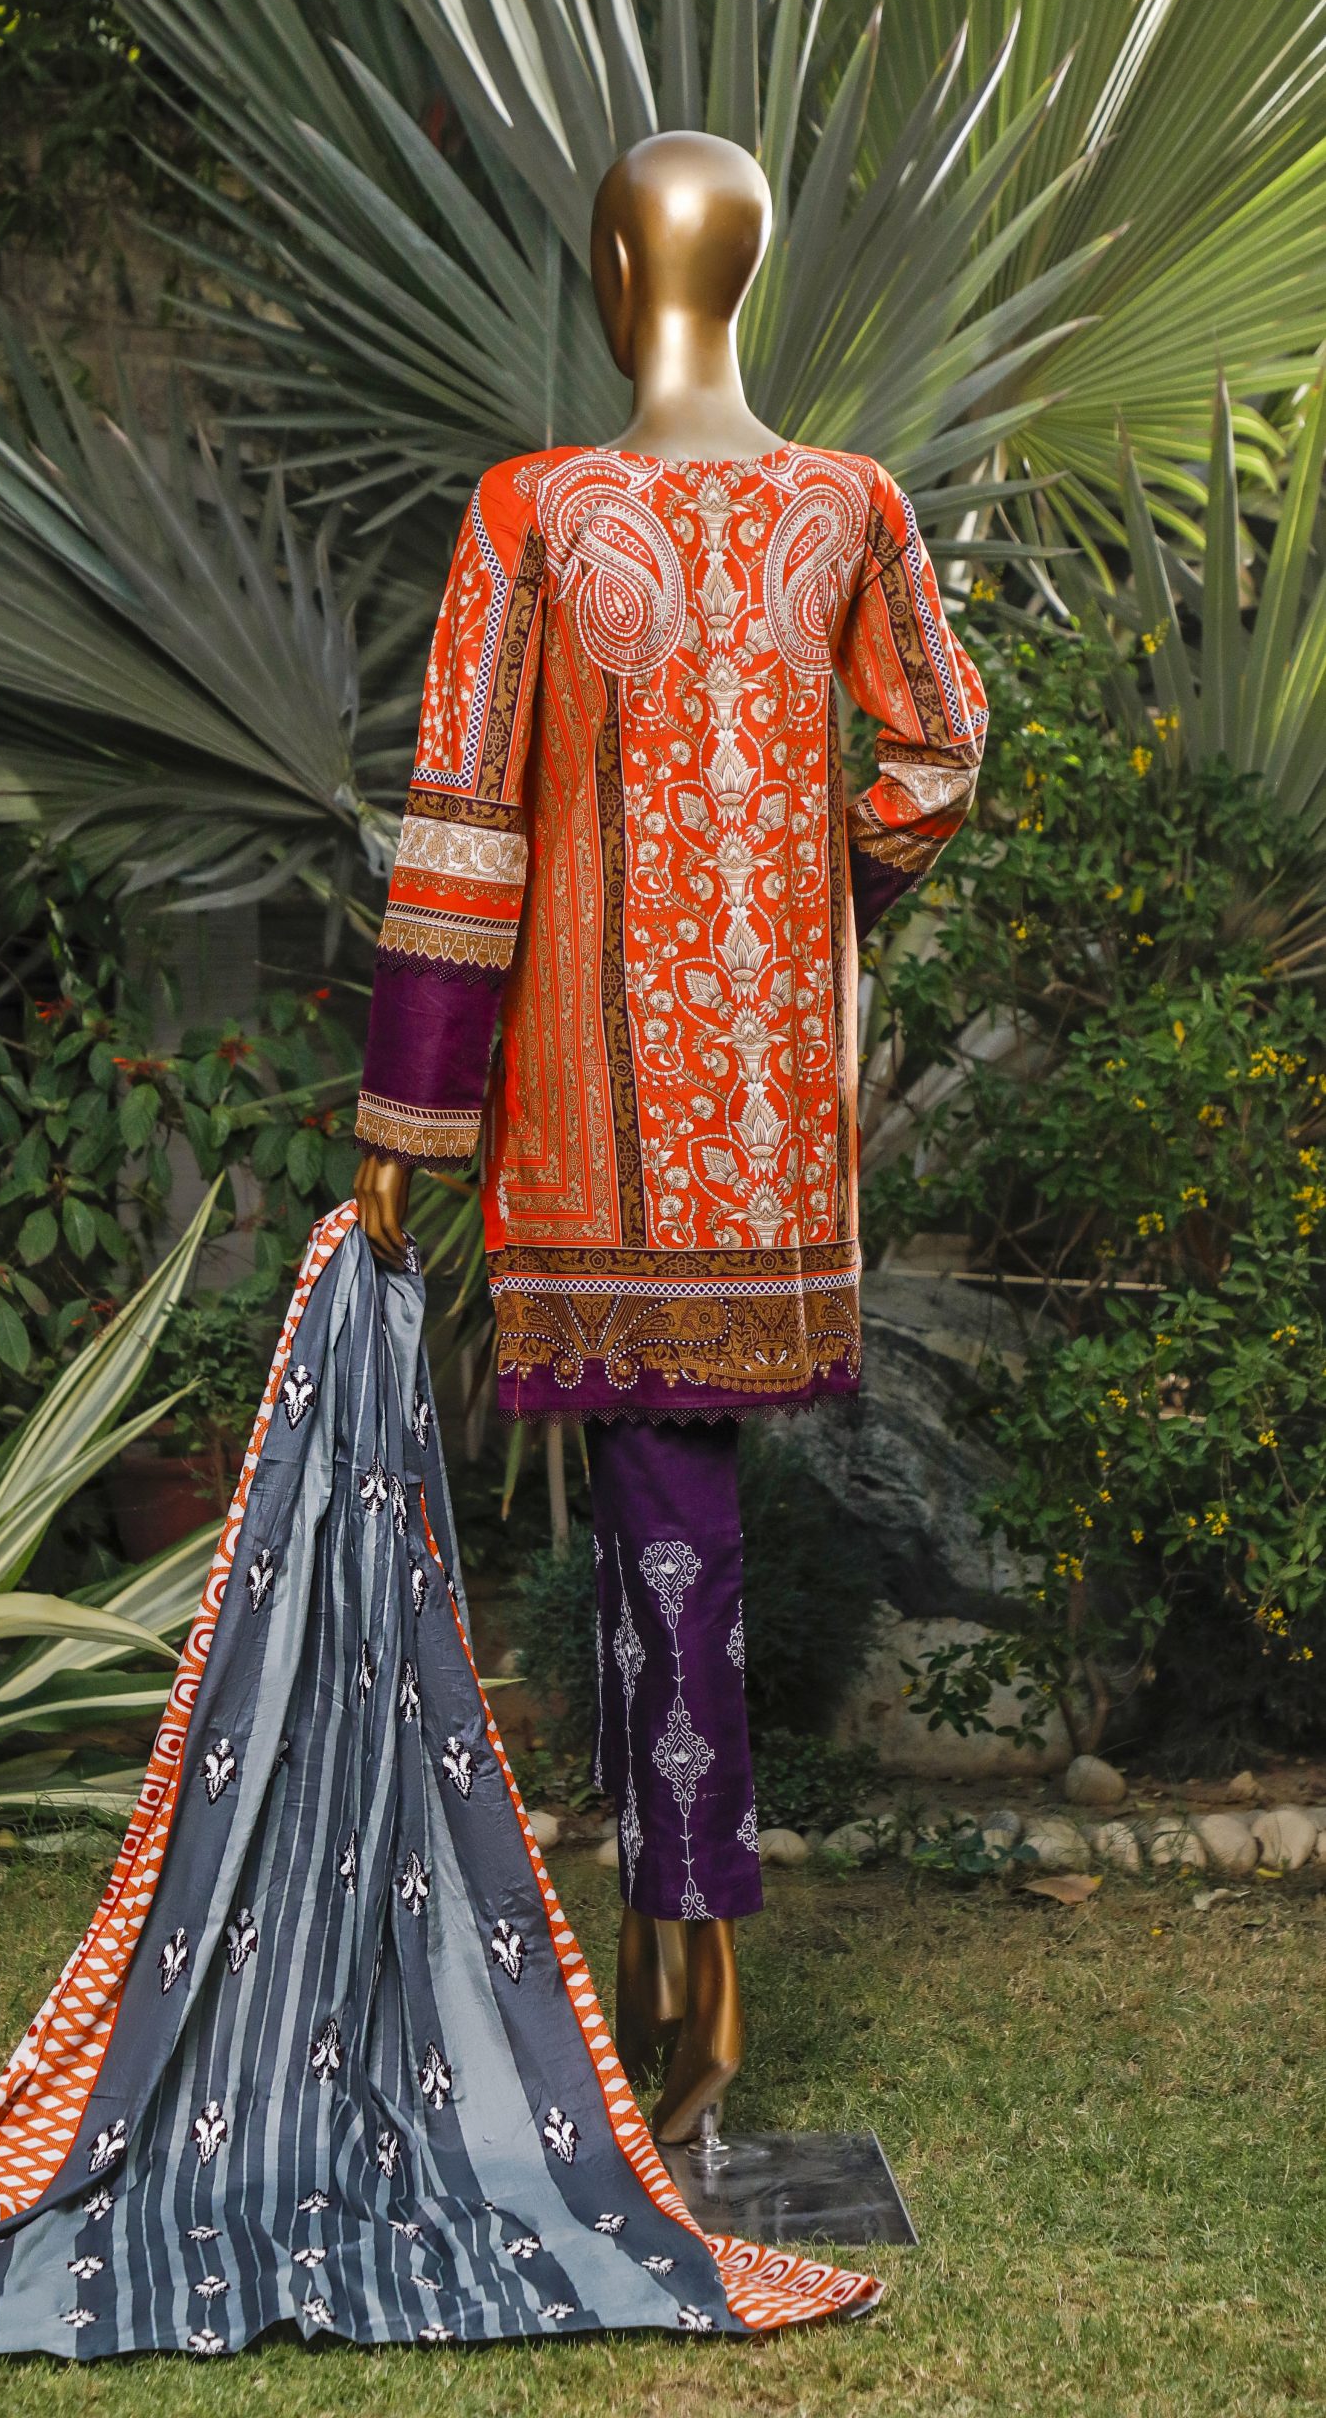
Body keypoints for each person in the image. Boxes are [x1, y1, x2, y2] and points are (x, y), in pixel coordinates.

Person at [354, 130, 987, 2144]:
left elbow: (464, 811)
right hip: (769, 1138)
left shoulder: (532, 511)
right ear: (747, 272)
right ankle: (679, 1987)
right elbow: (940, 748)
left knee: (662, 1518)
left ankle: (684, 1997)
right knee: (678, 1515)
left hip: (597, 1135)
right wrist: (818, 907)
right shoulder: (851, 503)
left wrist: (410, 1111)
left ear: (616, 276)